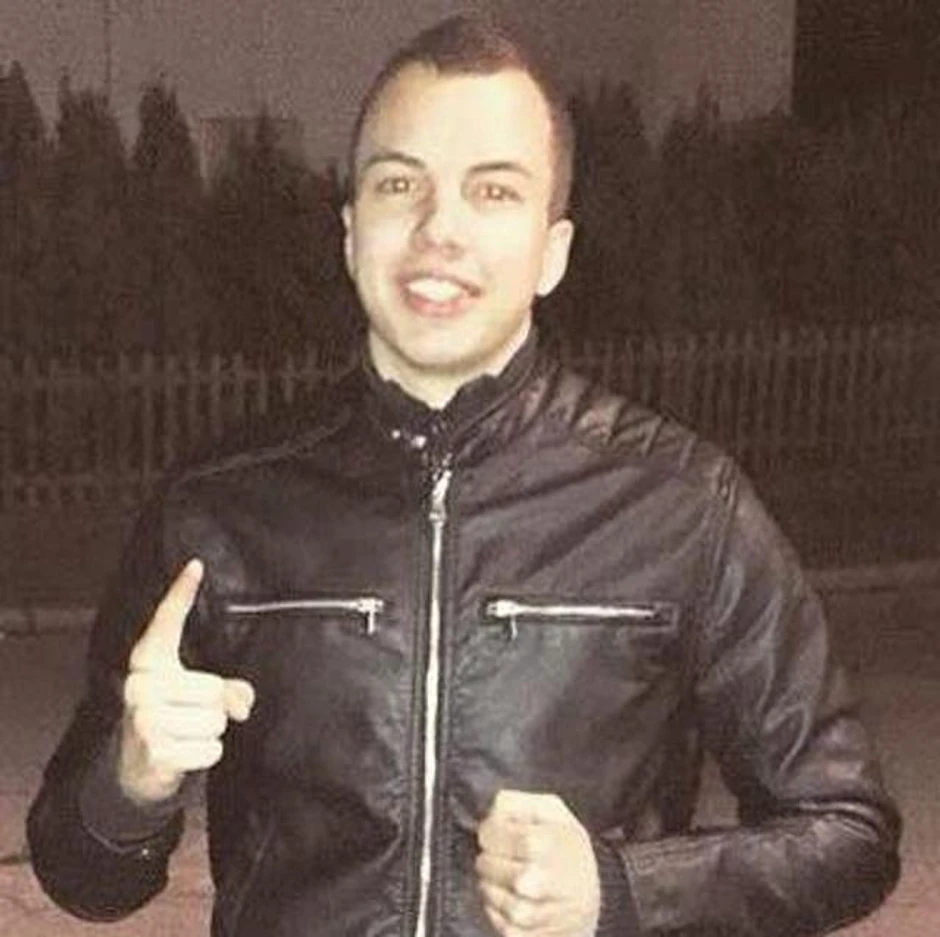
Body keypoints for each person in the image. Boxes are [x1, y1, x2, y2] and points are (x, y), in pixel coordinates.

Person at [28, 14, 900, 937]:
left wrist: (623, 888)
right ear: (351, 234)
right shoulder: (220, 509)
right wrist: (129, 783)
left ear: (553, 251)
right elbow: (79, 875)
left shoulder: (683, 505)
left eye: (493, 190)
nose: (439, 228)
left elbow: (848, 832)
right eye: (400, 183)